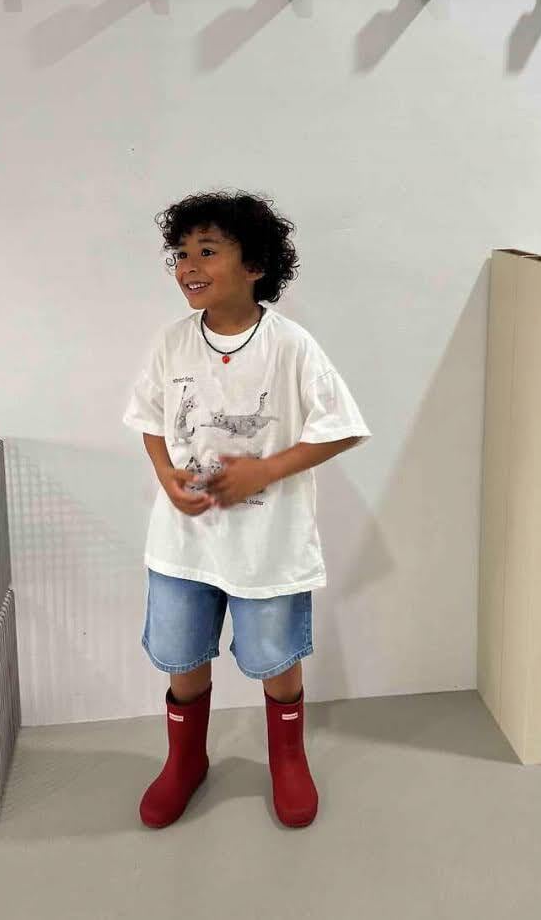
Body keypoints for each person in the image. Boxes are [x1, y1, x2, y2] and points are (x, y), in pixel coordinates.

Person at [121, 190, 372, 829]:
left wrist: (265, 470)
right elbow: (149, 418)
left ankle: (287, 759)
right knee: (182, 655)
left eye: (207, 251)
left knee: (275, 659)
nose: (188, 266)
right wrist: (165, 476)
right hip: (183, 543)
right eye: (181, 254)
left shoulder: (291, 346)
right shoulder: (171, 343)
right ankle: (185, 761)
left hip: (268, 544)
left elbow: (342, 428)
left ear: (255, 264)